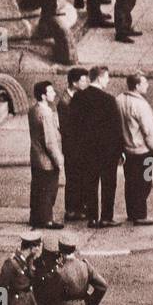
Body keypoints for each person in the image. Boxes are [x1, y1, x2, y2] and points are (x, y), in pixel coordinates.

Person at [79, 66, 123, 228]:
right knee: (108, 184)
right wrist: (120, 151)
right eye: (106, 77)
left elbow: (73, 126)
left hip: (87, 150)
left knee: (90, 183)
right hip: (107, 151)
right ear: (99, 78)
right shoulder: (108, 100)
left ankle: (92, 217)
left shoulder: (79, 98)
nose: (108, 80)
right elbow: (116, 129)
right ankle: (106, 217)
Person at [117, 74, 153, 224]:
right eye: (144, 82)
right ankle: (140, 214)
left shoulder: (119, 100)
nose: (147, 85)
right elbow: (148, 131)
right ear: (136, 86)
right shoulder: (141, 105)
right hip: (144, 151)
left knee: (130, 182)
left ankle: (132, 212)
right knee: (146, 182)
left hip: (127, 150)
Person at [27, 81, 63, 229]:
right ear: (43, 96)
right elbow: (50, 141)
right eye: (50, 92)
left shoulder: (33, 110)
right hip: (46, 159)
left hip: (36, 156)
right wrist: (59, 160)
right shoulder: (45, 113)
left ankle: (35, 217)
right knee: (48, 190)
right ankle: (46, 219)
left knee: (37, 188)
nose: (54, 94)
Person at [57, 67, 90, 222]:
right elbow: (67, 129)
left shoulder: (79, 96)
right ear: (75, 82)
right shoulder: (64, 102)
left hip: (81, 146)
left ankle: (81, 207)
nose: (86, 82)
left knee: (82, 177)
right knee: (73, 178)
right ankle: (71, 210)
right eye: (83, 80)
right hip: (72, 147)